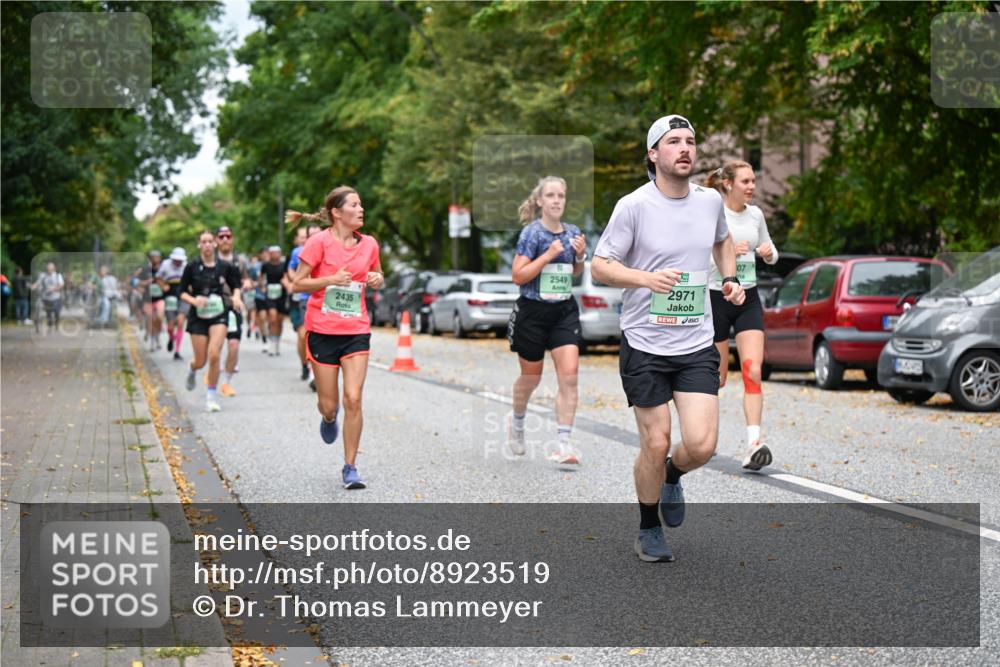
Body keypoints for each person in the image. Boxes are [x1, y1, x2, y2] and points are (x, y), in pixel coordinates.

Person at [592, 114, 745, 563]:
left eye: (691, 141)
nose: (685, 148)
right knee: (654, 443)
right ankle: (648, 526)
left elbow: (722, 241)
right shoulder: (633, 206)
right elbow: (601, 266)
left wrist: (731, 276)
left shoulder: (709, 202)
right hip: (644, 342)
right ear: (653, 154)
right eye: (674, 141)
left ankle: (674, 474)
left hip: (695, 341)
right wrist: (646, 279)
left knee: (701, 445)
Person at [290, 186, 384, 490]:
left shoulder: (369, 244)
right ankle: (329, 418)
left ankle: (350, 467)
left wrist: (376, 278)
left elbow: (378, 275)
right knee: (330, 406)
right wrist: (330, 279)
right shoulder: (318, 243)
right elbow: (297, 284)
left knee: (354, 398)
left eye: (361, 204)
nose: (361, 209)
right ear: (337, 212)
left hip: (356, 330)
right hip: (322, 330)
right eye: (355, 205)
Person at [507, 176, 587, 466]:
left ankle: (563, 443)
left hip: (563, 311)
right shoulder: (533, 234)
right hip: (532, 312)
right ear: (540, 201)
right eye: (550, 195)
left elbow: (575, 272)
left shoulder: (573, 231)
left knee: (570, 374)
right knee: (531, 379)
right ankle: (516, 423)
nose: (556, 200)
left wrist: (579, 256)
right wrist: (547, 255)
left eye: (561, 196)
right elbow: (518, 276)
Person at [705, 161, 778, 472]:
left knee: (753, 370)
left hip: (748, 296)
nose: (752, 186)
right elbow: (699, 254)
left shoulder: (756, 214)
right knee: (717, 378)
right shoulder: (713, 213)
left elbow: (773, 253)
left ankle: (753, 444)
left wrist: (766, 253)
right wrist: (728, 253)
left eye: (753, 181)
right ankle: (704, 440)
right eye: (746, 181)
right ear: (728, 184)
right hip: (715, 295)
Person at [179, 230, 243, 412]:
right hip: (198, 316)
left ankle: (211, 397)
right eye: (203, 242)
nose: (207, 245)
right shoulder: (192, 267)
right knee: (201, 361)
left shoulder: (225, 267)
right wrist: (193, 300)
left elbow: (236, 285)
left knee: (214, 354)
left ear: (214, 244)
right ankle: (193, 369)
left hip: (219, 313)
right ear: (199, 245)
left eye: (209, 241)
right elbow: (182, 291)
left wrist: (237, 297)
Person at [283, 221, 323, 382]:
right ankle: (306, 366)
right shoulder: (298, 252)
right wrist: (296, 279)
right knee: (304, 336)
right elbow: (291, 269)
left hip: (325, 300)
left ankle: (316, 371)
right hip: (305, 299)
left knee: (320, 338)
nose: (314, 239)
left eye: (317, 235)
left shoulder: (330, 250)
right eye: (310, 236)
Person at [215, 226, 249, 396]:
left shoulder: (239, 260)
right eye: (221, 237)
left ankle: (226, 383)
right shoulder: (210, 260)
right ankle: (213, 371)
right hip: (214, 307)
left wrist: (247, 284)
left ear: (232, 238)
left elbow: (246, 278)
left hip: (233, 306)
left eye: (228, 236)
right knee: (216, 346)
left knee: (234, 345)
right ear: (216, 240)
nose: (225, 239)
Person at [158, 247, 189, 361]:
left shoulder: (186, 266)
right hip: (170, 296)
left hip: (183, 295)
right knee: (171, 326)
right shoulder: (165, 265)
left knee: (180, 321)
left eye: (180, 260)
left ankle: (177, 351)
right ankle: (171, 338)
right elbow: (158, 278)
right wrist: (163, 286)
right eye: (176, 260)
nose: (178, 262)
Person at [259, 245, 287, 357]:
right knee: (272, 317)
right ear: (270, 254)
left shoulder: (283, 265)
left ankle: (277, 341)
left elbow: (287, 276)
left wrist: (286, 283)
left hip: (282, 295)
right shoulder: (265, 265)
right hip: (270, 294)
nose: (275, 255)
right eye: (272, 253)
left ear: (280, 254)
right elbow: (261, 277)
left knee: (279, 320)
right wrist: (262, 286)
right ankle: (272, 343)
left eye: (277, 253)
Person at [141, 250, 166, 351]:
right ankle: (152, 341)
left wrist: (162, 283)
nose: (156, 259)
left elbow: (168, 282)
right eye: (154, 257)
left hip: (159, 298)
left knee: (159, 317)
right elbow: (136, 282)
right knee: (151, 319)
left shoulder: (163, 270)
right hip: (147, 299)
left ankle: (158, 336)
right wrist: (147, 282)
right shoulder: (145, 270)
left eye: (158, 257)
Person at [33, 262, 65, 332]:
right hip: (46, 297)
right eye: (48, 268)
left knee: (56, 313)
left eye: (50, 268)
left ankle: (56, 324)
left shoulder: (57, 275)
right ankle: (50, 326)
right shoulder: (43, 276)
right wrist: (33, 286)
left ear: (54, 269)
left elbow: (62, 285)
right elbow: (38, 283)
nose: (49, 270)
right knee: (49, 313)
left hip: (56, 297)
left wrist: (55, 289)